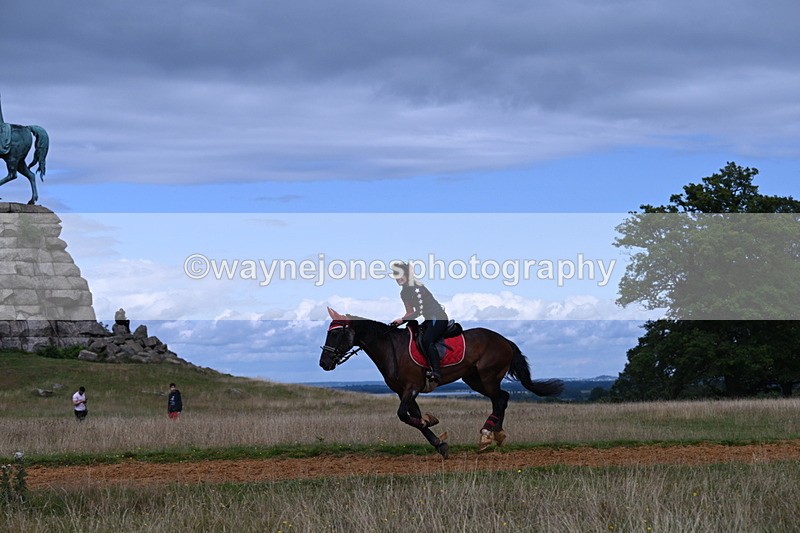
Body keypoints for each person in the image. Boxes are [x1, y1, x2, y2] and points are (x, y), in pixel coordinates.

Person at [391, 262, 448, 383]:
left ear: (407, 274)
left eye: (400, 275)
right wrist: (399, 323)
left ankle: (436, 372)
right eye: (396, 276)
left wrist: (402, 320)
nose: (398, 278)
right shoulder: (403, 293)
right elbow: (410, 312)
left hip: (439, 318)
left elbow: (420, 311)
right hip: (428, 320)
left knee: (427, 340)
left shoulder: (417, 288)